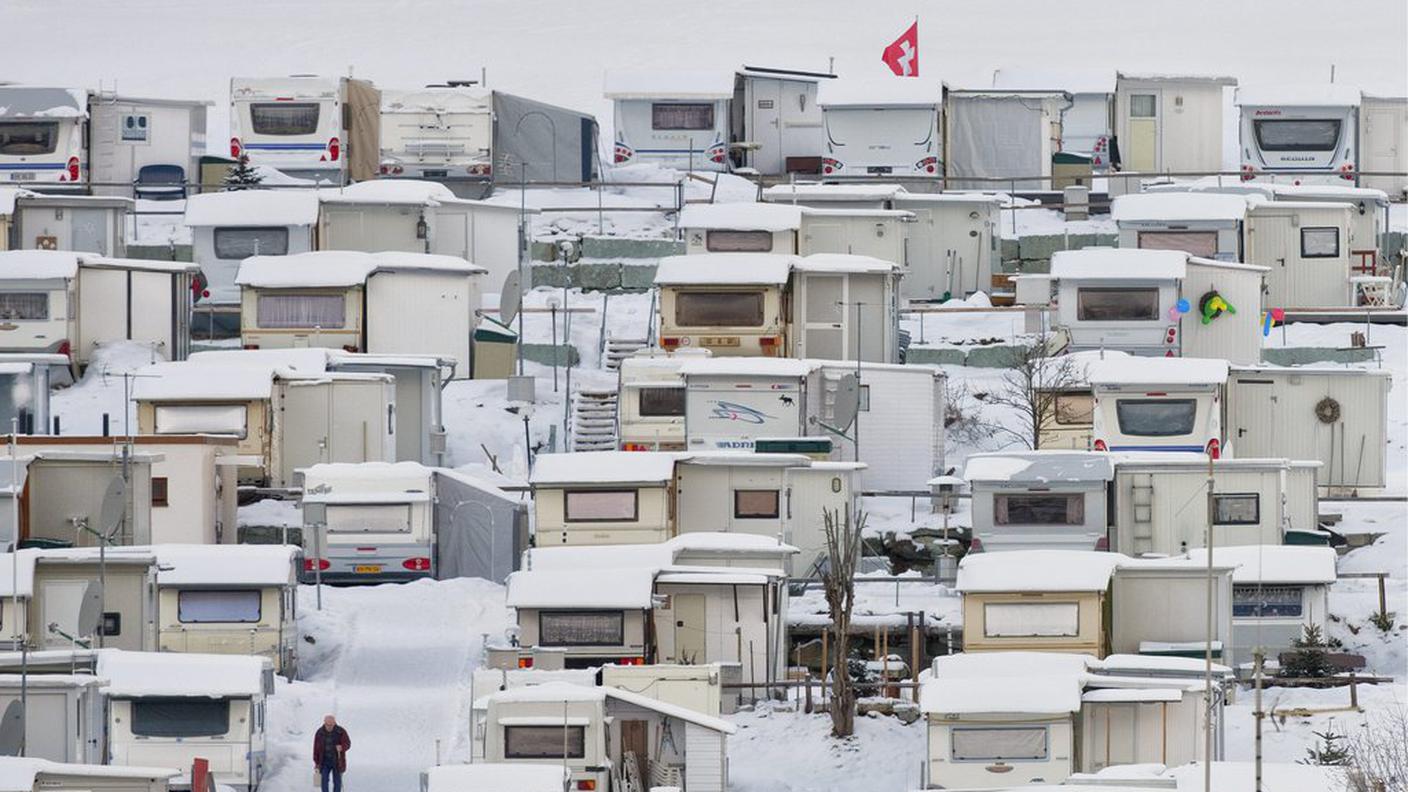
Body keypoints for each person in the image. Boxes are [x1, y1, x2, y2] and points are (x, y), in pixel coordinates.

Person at [312, 715, 351, 792]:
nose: (329, 727)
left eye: (331, 725)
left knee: (337, 782)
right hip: (324, 761)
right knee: (324, 780)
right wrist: (316, 762)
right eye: (327, 725)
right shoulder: (320, 732)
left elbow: (348, 743)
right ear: (324, 723)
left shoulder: (341, 731)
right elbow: (316, 748)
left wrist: (342, 747)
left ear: (334, 723)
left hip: (337, 761)